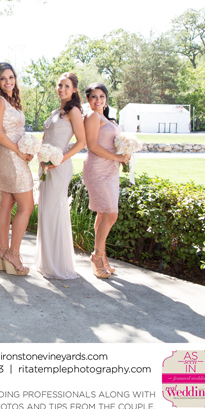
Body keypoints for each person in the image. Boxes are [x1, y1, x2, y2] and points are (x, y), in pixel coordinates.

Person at [35, 73, 87, 279]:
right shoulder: (56, 111)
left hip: (60, 165)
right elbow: (45, 138)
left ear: (74, 89)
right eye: (59, 85)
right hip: (45, 165)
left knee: (54, 210)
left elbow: (82, 142)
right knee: (45, 211)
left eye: (66, 86)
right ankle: (46, 261)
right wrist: (41, 157)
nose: (62, 89)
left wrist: (59, 159)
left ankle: (57, 264)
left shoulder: (74, 111)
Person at [0, 62, 33, 275]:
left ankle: (3, 251)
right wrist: (19, 151)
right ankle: (13, 254)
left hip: (15, 153)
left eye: (11, 77)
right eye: (3, 78)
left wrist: (28, 149)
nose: (8, 81)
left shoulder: (12, 100)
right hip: (9, 154)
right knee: (27, 205)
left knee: (7, 202)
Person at [82, 82, 130, 278]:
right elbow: (92, 145)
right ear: (88, 99)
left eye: (101, 96)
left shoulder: (106, 118)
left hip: (111, 170)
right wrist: (117, 157)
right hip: (97, 169)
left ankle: (102, 256)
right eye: (94, 96)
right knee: (111, 214)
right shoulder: (93, 116)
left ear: (106, 98)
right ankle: (97, 257)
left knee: (104, 214)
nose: (98, 100)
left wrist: (125, 152)